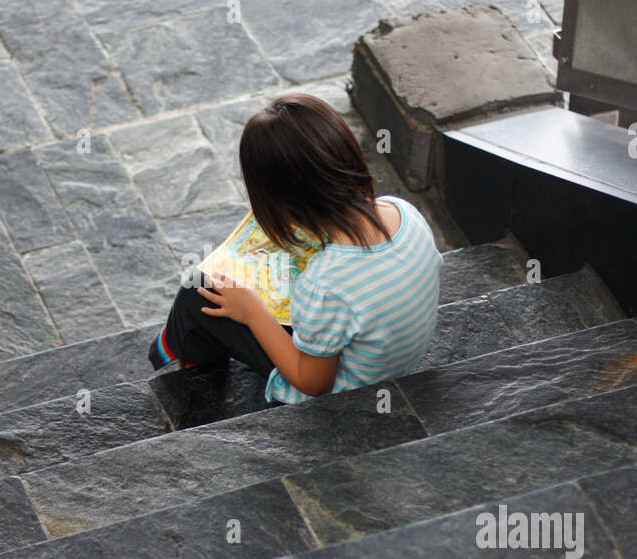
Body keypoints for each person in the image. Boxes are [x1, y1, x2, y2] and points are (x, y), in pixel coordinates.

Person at [147, 92, 442, 404]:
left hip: (347, 392)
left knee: (198, 293)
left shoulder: (325, 285)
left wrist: (253, 313)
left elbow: (312, 383)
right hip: (392, 360)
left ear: (280, 203)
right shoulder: (403, 212)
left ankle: (172, 355)